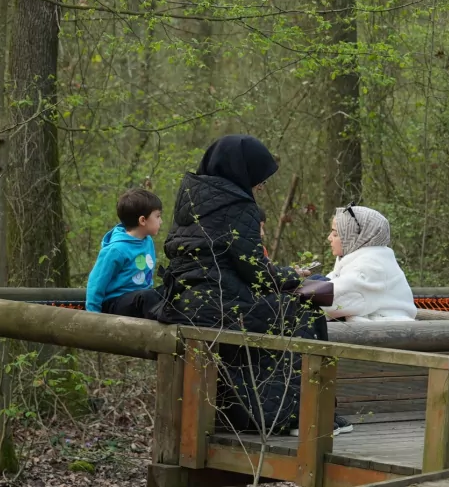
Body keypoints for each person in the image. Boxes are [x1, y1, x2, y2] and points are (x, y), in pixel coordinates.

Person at [157, 135, 351, 435]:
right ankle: (301, 415)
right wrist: (294, 277)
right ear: (242, 172)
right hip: (220, 304)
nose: (260, 186)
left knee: (274, 313)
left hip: (184, 301)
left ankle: (256, 414)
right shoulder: (238, 206)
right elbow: (254, 269)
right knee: (304, 314)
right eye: (258, 179)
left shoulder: (191, 198)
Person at [324, 204, 417, 322]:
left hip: (388, 335)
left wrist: (297, 288)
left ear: (355, 237)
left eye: (335, 234)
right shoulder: (358, 260)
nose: (329, 238)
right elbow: (330, 284)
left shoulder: (371, 266)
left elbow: (332, 300)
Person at [86, 188, 163, 318]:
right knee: (147, 297)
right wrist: (93, 316)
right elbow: (96, 283)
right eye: (158, 216)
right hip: (114, 303)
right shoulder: (116, 250)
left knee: (168, 291)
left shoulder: (147, 241)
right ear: (142, 220)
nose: (160, 221)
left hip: (140, 298)